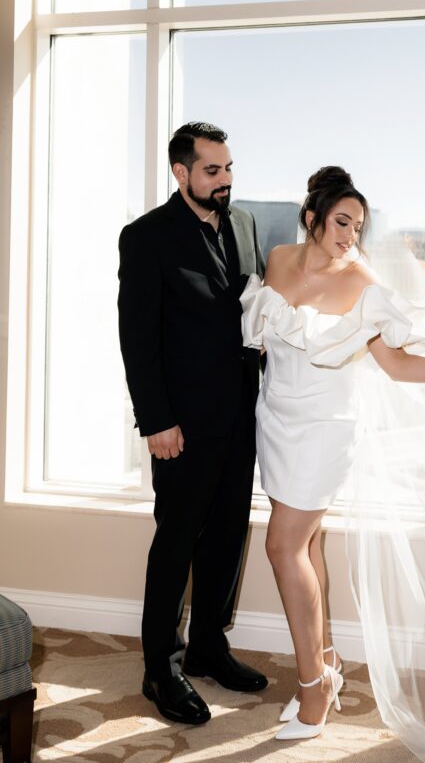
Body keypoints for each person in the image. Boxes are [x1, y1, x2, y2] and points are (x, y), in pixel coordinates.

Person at [239, 166, 425, 742]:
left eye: (359, 227)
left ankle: (313, 686)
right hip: (277, 417)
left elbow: (396, 364)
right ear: (312, 217)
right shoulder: (279, 259)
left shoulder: (363, 283)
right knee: (307, 542)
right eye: (342, 222)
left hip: (325, 428)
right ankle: (326, 662)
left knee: (281, 543)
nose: (350, 236)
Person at [118, 122, 267, 726]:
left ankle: (208, 645)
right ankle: (161, 668)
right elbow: (138, 339)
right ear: (182, 173)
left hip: (241, 413)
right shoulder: (146, 237)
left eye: (229, 168)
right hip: (180, 423)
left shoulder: (246, 224)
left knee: (229, 533)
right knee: (176, 541)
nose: (225, 180)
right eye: (213, 171)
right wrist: (156, 420)